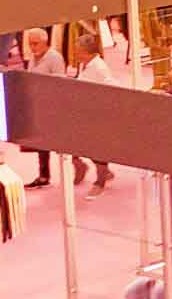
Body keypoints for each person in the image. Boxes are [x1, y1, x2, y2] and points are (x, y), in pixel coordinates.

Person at [67, 30, 118, 194]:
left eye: (78, 51)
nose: (75, 54)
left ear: (87, 52)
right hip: (85, 113)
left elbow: (112, 88)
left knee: (96, 148)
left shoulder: (99, 67)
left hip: (97, 115)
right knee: (73, 141)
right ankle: (83, 166)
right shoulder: (87, 65)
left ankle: (100, 181)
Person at [19, 27, 67, 188]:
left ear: (45, 42)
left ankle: (84, 163)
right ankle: (44, 176)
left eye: (35, 43)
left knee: (61, 142)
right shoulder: (33, 58)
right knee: (42, 143)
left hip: (53, 107)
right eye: (30, 44)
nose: (32, 47)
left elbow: (61, 84)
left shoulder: (55, 58)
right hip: (39, 106)